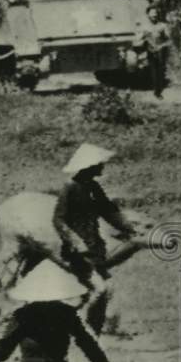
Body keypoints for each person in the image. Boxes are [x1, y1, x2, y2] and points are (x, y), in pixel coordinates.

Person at [53, 143, 133, 334]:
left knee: (104, 290)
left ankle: (92, 330)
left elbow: (108, 211)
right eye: (99, 163)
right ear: (89, 166)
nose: (102, 166)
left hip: (95, 246)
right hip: (78, 252)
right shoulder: (70, 188)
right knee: (100, 289)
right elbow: (58, 219)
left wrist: (128, 228)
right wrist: (75, 241)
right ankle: (83, 329)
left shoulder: (93, 187)